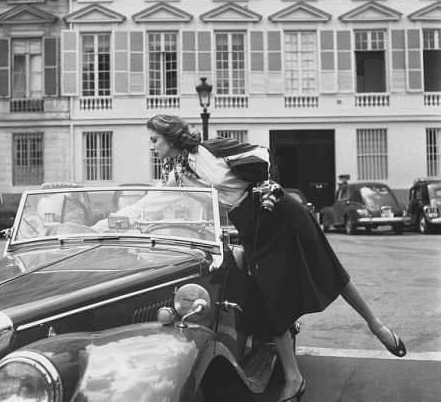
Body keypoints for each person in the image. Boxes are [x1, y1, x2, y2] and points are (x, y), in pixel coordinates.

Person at [144, 114, 406, 402]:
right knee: (270, 298)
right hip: (250, 226)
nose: (152, 146)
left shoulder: (210, 149)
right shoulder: (177, 173)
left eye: (155, 140)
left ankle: (375, 324)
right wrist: (109, 222)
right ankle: (294, 379)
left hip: (276, 211)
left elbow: (261, 155)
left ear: (169, 137)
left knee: (326, 267)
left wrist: (254, 178)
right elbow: (154, 201)